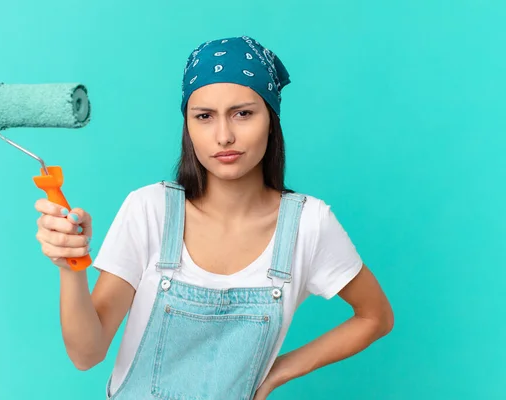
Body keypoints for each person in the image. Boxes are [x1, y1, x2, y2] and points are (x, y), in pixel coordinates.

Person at [34, 35, 393, 400]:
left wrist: (280, 370)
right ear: (188, 126)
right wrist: (70, 269)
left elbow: (375, 316)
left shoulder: (308, 224)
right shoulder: (150, 209)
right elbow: (86, 354)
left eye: (243, 113)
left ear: (271, 119)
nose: (224, 136)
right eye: (204, 116)